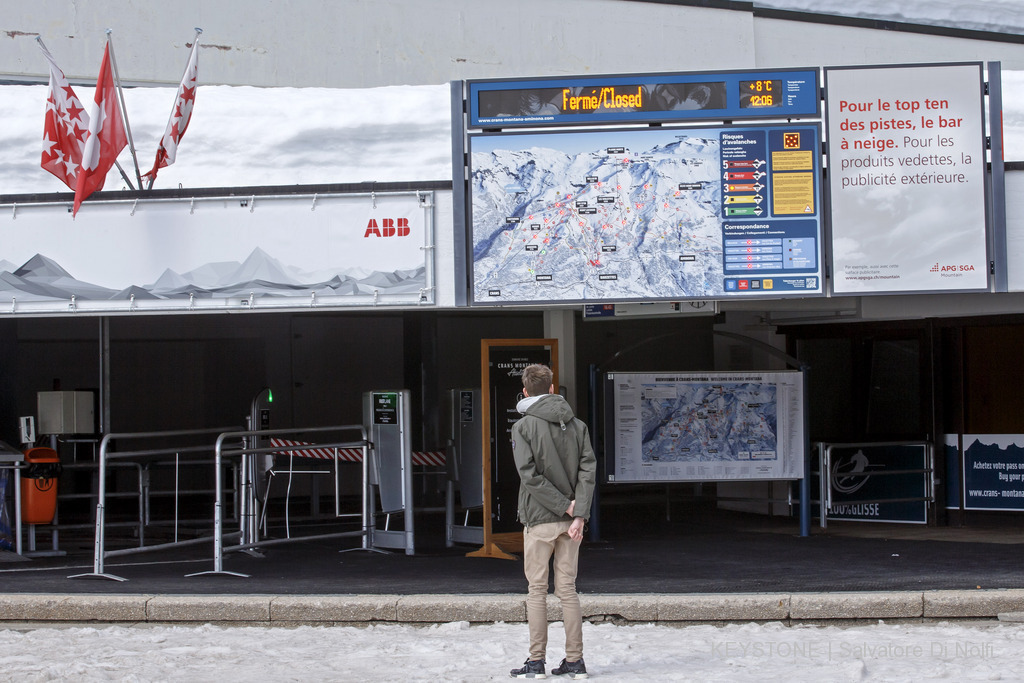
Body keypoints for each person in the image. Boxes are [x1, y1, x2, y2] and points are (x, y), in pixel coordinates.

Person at [508, 364, 597, 680]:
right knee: (568, 590)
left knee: (536, 590)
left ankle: (536, 661)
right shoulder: (578, 426)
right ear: (551, 387)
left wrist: (564, 506)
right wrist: (579, 513)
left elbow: (529, 476)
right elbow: (588, 470)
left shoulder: (523, 427)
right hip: (572, 523)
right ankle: (575, 661)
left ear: (525, 391)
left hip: (539, 518)